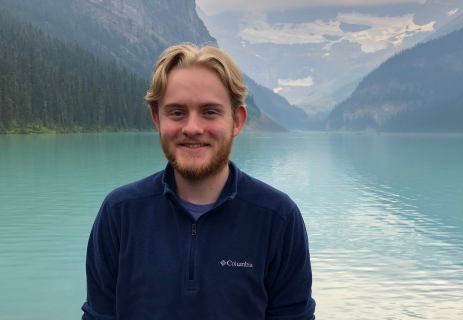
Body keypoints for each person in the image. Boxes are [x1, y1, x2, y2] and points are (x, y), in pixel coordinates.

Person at [81, 44, 316, 319]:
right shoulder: (120, 213)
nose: (192, 128)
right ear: (157, 119)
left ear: (237, 121)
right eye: (177, 112)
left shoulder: (278, 218)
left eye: (210, 112)